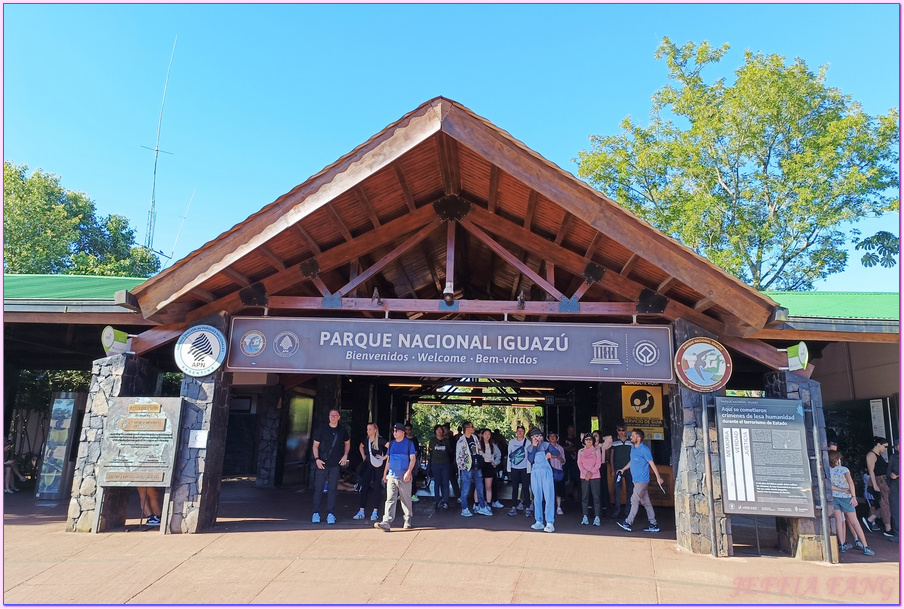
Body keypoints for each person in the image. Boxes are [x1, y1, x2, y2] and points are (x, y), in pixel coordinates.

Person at [616, 428, 663, 533]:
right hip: (636, 480)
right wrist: (623, 469)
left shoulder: (644, 449)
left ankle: (628, 522)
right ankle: (653, 524)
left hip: (642, 480)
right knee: (646, 503)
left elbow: (652, 464)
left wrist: (658, 477)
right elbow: (632, 461)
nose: (630, 437)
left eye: (632, 435)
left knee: (634, 499)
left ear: (639, 438)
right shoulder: (633, 448)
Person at [829, 450, 875, 556]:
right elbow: (850, 482)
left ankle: (842, 545)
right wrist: (853, 496)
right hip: (846, 498)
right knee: (854, 522)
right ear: (837, 459)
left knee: (839, 521)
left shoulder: (827, 470)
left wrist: (839, 490)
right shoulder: (844, 469)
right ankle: (865, 546)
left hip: (834, 497)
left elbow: (829, 486)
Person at [375, 423, 417, 532]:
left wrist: (408, 472)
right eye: (393, 431)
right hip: (392, 476)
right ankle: (386, 522)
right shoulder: (392, 444)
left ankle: (407, 519)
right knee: (390, 499)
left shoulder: (409, 444)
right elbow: (388, 460)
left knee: (406, 499)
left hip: (404, 476)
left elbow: (413, 459)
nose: (394, 433)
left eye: (397, 431)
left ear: (403, 432)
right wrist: (385, 474)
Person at [311, 409, 351, 525]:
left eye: (335, 415)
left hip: (335, 464)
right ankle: (315, 513)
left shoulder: (342, 430)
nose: (333, 417)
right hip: (322, 463)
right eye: (331, 415)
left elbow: (347, 443)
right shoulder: (322, 429)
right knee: (318, 488)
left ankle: (330, 514)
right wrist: (317, 459)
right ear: (328, 417)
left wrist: (345, 455)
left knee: (333, 489)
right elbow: (315, 446)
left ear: (339, 417)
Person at [455, 421, 492, 517]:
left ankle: (482, 507)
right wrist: (462, 467)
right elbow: (458, 456)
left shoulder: (475, 438)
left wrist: (480, 459)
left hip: (476, 467)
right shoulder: (461, 441)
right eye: (471, 427)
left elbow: (478, 450)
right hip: (467, 468)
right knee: (465, 489)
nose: (473, 428)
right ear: (467, 429)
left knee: (480, 487)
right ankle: (464, 508)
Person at [526, 428, 559, 532]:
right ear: (532, 437)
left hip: (546, 472)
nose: (539, 438)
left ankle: (550, 522)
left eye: (540, 436)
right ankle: (539, 521)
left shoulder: (547, 445)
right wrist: (535, 447)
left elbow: (557, 452)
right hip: (535, 472)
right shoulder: (530, 448)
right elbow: (530, 460)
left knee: (549, 496)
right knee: (537, 497)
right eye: (536, 436)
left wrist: (551, 454)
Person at [354, 422, 387, 521]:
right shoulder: (367, 440)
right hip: (368, 466)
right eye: (367, 429)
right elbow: (361, 446)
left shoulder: (380, 440)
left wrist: (384, 457)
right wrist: (364, 456)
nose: (368, 431)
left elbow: (391, 447)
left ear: (375, 430)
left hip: (378, 467)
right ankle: (361, 510)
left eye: (370, 429)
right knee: (364, 487)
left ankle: (375, 511)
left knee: (377, 489)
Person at [864, 437, 894, 538]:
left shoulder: (877, 454)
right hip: (880, 480)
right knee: (885, 503)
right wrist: (875, 484)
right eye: (884, 447)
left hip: (883, 480)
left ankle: (871, 519)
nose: (885, 449)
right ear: (878, 444)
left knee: (888, 503)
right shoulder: (871, 455)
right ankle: (888, 528)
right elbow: (871, 471)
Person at [577, 433, 603, 526]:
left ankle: (597, 517)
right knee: (584, 497)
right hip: (584, 477)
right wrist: (586, 473)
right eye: (586, 439)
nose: (588, 441)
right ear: (584, 441)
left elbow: (598, 463)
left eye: (590, 439)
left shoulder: (596, 450)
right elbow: (579, 464)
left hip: (595, 476)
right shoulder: (580, 451)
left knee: (596, 497)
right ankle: (585, 516)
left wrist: (590, 472)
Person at [609, 423, 634, 519]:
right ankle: (617, 510)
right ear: (617, 431)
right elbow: (611, 456)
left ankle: (628, 511)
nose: (621, 432)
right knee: (616, 490)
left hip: (629, 469)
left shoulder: (631, 441)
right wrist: (612, 469)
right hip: (617, 469)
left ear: (626, 431)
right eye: (619, 430)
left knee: (630, 490)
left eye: (623, 430)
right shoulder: (614, 442)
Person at [506, 425, 532, 516]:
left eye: (521, 431)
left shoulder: (528, 442)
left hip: (525, 468)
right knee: (515, 488)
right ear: (516, 432)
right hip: (514, 468)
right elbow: (509, 454)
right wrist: (508, 468)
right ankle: (513, 507)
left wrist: (530, 469)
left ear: (524, 432)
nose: (520, 432)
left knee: (526, 488)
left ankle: (528, 507)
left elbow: (530, 455)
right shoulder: (512, 442)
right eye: (518, 431)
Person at [427, 424, 453, 509]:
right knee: (437, 483)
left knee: (445, 482)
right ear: (435, 431)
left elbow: (449, 451)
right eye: (437, 429)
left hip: (445, 463)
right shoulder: (432, 440)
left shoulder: (446, 441)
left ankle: (446, 501)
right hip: (435, 463)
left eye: (441, 429)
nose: (439, 431)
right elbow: (430, 452)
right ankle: (437, 500)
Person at [478, 429, 503, 509]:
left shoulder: (493, 445)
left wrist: (495, 462)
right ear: (482, 435)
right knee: (479, 486)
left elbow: (498, 454)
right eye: (485, 434)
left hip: (489, 466)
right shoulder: (478, 445)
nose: (487, 436)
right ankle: (478, 503)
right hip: (480, 466)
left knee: (489, 486)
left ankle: (489, 503)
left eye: (489, 434)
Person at [593, 430, 614, 517]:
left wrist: (601, 438)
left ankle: (604, 509)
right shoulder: (590, 445)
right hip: (592, 467)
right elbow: (582, 436)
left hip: (601, 467)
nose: (594, 438)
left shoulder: (603, 445)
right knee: (594, 488)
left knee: (602, 487)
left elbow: (610, 438)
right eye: (593, 436)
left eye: (596, 436)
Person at [547, 432, 566, 515]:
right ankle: (549, 508)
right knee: (548, 491)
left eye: (554, 436)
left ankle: (558, 507)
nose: (552, 437)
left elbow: (564, 461)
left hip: (558, 471)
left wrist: (557, 457)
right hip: (548, 471)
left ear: (556, 438)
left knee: (558, 491)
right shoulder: (545, 448)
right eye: (550, 436)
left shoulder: (560, 448)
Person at [561, 425, 581, 501]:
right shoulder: (563, 439)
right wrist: (570, 448)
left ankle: (570, 493)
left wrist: (568, 448)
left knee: (573, 477)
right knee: (564, 477)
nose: (571, 432)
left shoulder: (576, 440)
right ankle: (563, 494)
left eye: (572, 430)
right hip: (565, 461)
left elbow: (577, 449)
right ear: (567, 431)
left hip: (574, 461)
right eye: (570, 430)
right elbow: (562, 448)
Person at [404, 423, 422, 502]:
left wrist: (412, 460)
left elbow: (416, 451)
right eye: (406, 430)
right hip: (403, 460)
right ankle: (402, 494)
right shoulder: (403, 439)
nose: (408, 431)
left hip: (412, 460)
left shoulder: (414, 439)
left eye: (409, 430)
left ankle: (413, 494)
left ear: (411, 430)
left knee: (413, 477)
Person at [888, 439, 899, 541]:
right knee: (895, 509)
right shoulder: (893, 457)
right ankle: (898, 534)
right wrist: (891, 476)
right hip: (895, 486)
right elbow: (888, 472)